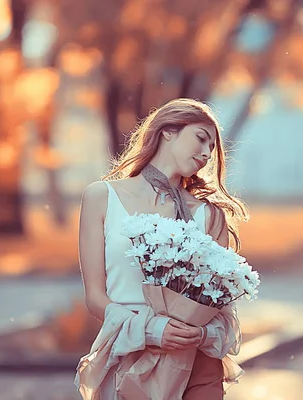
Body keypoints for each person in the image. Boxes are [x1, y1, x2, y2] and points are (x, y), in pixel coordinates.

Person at [75, 98, 249, 399]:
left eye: (212, 147)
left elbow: (222, 310)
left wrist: (200, 333)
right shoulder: (101, 197)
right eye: (201, 138)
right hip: (130, 356)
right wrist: (151, 329)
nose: (207, 153)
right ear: (168, 131)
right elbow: (95, 298)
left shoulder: (209, 215)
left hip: (196, 364)